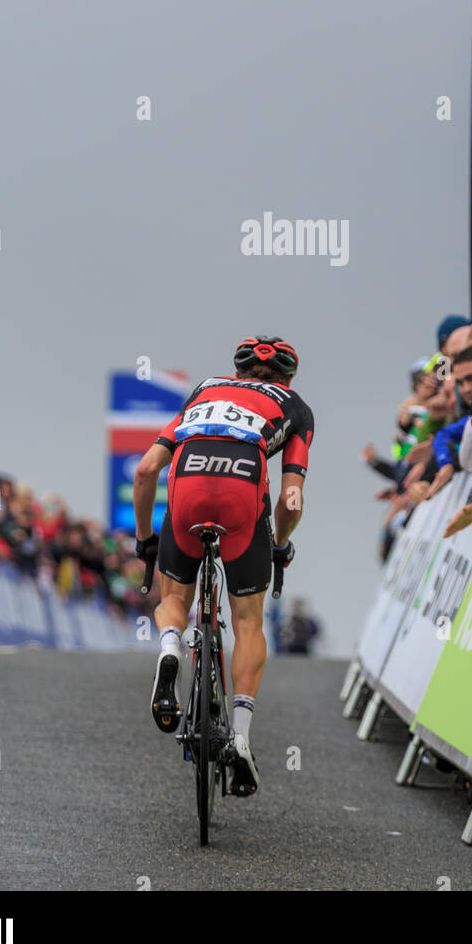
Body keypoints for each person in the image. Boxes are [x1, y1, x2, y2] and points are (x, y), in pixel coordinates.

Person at [133, 335, 314, 796]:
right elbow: (291, 497)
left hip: (188, 482)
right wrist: (279, 544)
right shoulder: (295, 406)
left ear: (237, 374)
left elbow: (146, 469)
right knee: (248, 621)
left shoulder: (206, 391)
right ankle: (240, 735)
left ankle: (171, 646)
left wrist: (145, 541)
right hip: (242, 491)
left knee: (174, 597)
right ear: (287, 378)